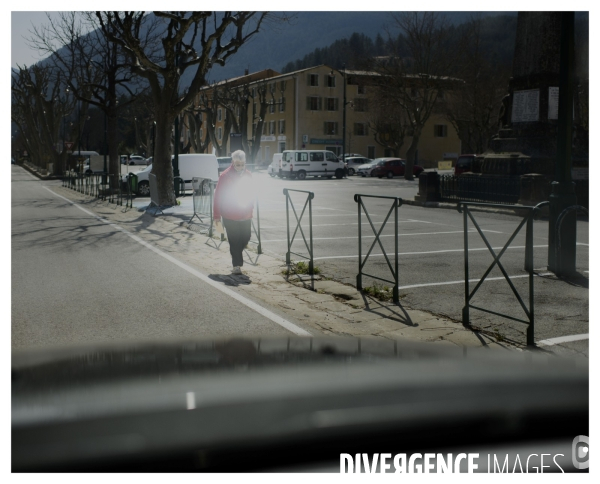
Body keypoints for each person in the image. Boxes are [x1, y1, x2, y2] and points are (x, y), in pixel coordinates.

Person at [213, 150, 254, 275]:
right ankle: (237, 265)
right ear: (233, 163)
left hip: (245, 214)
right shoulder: (225, 176)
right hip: (229, 215)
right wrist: (216, 216)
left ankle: (237, 254)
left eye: (242, 164)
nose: (240, 167)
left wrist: (251, 206)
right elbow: (218, 196)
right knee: (234, 240)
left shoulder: (248, 175)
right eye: (237, 164)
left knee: (246, 237)